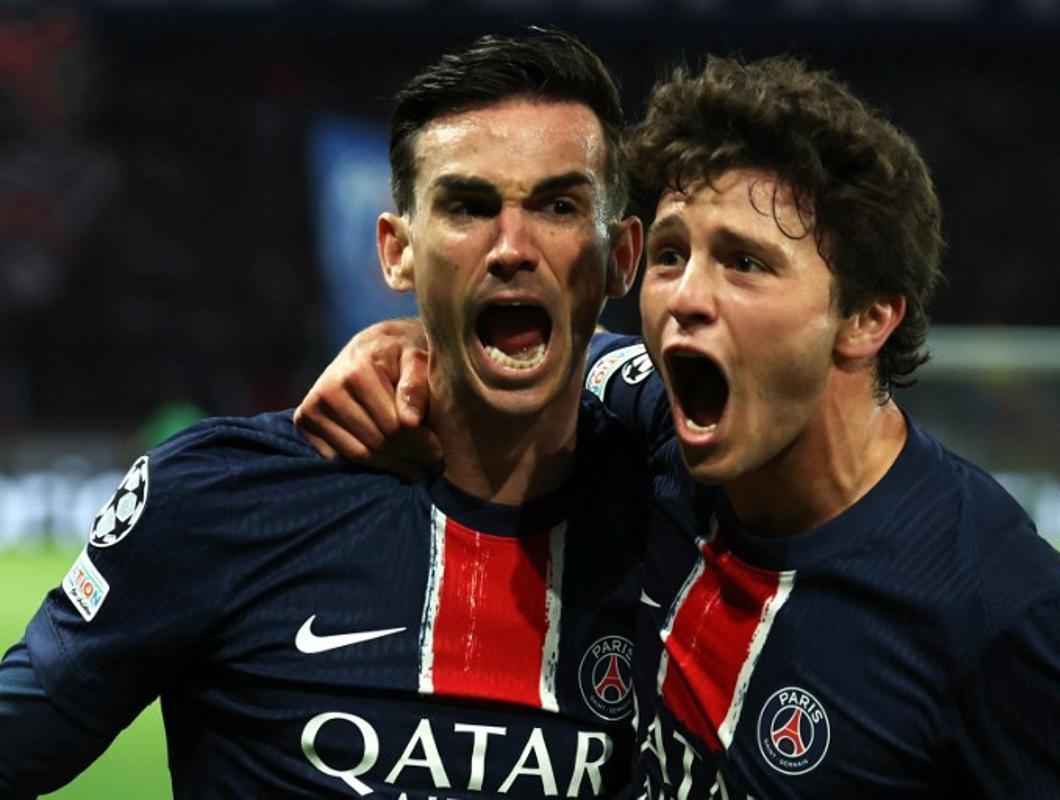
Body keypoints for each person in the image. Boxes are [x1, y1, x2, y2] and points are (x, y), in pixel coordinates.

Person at [296, 56, 1060, 797]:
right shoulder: (658, 427)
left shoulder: (1001, 611)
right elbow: (560, 348)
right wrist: (409, 340)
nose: (685, 300)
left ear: (866, 317)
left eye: (745, 264)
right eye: (674, 255)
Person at [0, 30, 647, 798]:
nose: (512, 246)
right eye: (468, 207)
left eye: (559, 205)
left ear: (621, 257)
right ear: (396, 252)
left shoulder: (677, 509)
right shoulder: (221, 500)